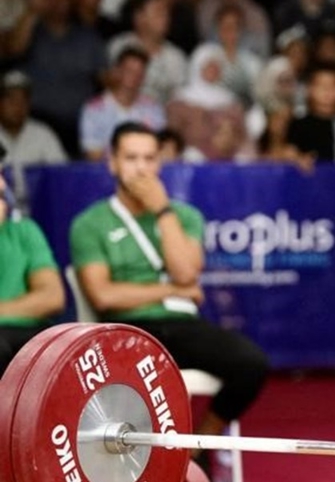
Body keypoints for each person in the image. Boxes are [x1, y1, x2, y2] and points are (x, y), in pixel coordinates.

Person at [68, 122, 270, 443]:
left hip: (182, 326)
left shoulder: (184, 215)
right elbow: (103, 296)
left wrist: (162, 209)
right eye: (131, 158)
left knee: (251, 364)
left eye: (149, 158)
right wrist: (174, 290)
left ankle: (197, 447)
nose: (141, 168)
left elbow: (186, 273)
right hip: (126, 329)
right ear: (113, 163)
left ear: (159, 163)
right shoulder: (89, 223)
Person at [0, 164, 66, 378]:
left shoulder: (25, 230)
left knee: (65, 353)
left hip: (30, 335)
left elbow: (52, 298)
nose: (2, 184)